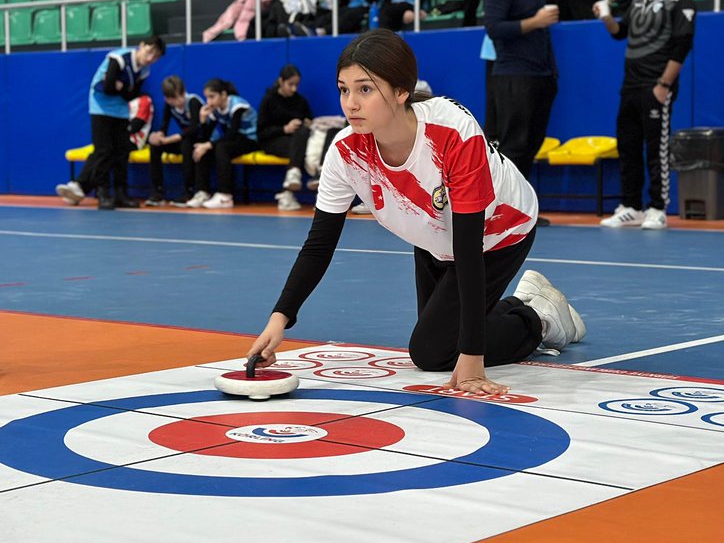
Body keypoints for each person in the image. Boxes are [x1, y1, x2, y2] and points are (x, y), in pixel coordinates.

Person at [246, 30, 584, 394]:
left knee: (432, 351)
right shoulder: (345, 153)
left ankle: (540, 318)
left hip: (499, 233)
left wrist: (473, 358)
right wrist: (279, 319)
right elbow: (318, 245)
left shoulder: (452, 131)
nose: (350, 104)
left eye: (365, 89)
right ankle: (523, 302)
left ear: (401, 91)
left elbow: (468, 247)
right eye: (343, 90)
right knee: (442, 341)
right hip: (433, 235)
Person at [594, 0, 694, 229]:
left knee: (656, 149)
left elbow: (682, 47)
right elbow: (621, 32)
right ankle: (631, 205)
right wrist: (606, 17)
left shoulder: (681, 2)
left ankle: (658, 207)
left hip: (656, 86)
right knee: (627, 146)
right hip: (630, 85)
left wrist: (663, 85)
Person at [484, 0, 559, 191]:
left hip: (541, 76)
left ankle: (520, 204)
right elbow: (494, 28)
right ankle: (504, 205)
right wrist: (535, 22)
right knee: (514, 146)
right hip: (514, 76)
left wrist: (552, 73)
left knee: (531, 144)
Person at [56, 35, 165, 209]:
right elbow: (107, 88)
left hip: (121, 110)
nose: (150, 58)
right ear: (141, 45)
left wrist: (120, 86)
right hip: (101, 107)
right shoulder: (119, 58)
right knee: (104, 150)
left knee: (121, 152)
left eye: (156, 56)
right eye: (150, 51)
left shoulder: (144, 70)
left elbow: (132, 95)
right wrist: (122, 88)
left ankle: (119, 194)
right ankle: (102, 193)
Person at [188, 78, 258, 209]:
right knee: (202, 149)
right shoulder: (216, 109)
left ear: (223, 94)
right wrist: (203, 120)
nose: (208, 101)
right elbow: (205, 136)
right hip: (234, 141)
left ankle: (225, 196)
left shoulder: (238, 105)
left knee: (221, 148)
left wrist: (208, 145)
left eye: (212, 97)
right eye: (207, 97)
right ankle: (203, 192)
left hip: (251, 140)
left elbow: (232, 133)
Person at [257, 64, 314, 212]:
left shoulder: (301, 101)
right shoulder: (269, 100)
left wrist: (307, 124)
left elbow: (309, 121)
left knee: (303, 137)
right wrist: (284, 129)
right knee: (301, 148)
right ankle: (290, 186)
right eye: (290, 84)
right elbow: (261, 133)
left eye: (297, 85)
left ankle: (290, 183)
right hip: (272, 141)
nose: (294, 89)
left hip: (297, 141)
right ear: (281, 81)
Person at [144, 75, 204, 206]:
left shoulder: (193, 102)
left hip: (201, 141)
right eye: (175, 98)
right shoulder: (169, 106)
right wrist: (159, 136)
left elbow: (194, 129)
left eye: (181, 95)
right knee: (155, 146)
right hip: (184, 140)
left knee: (186, 144)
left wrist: (171, 139)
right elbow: (164, 126)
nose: (179, 100)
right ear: (167, 99)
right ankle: (157, 192)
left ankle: (189, 191)